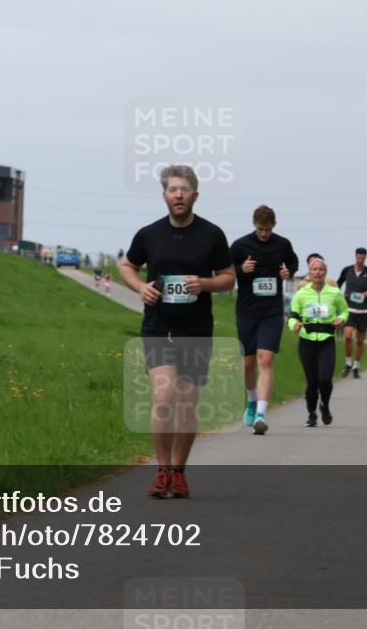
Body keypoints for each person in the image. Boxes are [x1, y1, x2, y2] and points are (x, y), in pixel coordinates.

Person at [119, 164, 234, 499]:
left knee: (186, 404)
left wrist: (205, 283)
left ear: (195, 195)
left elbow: (229, 277)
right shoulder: (149, 234)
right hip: (159, 327)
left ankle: (179, 473)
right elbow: (127, 265)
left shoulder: (212, 235)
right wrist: (140, 288)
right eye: (172, 190)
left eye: (184, 190)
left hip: (196, 329)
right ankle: (162, 470)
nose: (179, 195)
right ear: (165, 195)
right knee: (164, 398)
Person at [230, 205, 299, 435]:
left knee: (266, 360)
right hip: (247, 311)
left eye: (268, 229)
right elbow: (226, 273)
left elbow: (293, 263)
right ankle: (251, 400)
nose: (264, 234)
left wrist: (287, 272)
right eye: (260, 229)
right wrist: (242, 269)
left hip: (272, 311)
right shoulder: (240, 245)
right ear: (253, 224)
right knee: (248, 363)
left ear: (274, 225)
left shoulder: (283, 244)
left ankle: (261, 413)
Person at [288, 256, 348, 427]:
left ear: (325, 273)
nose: (318, 272)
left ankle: (325, 405)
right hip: (307, 340)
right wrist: (295, 325)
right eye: (314, 269)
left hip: (327, 340)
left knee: (325, 379)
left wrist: (340, 319)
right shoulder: (301, 294)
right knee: (312, 382)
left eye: (321, 269)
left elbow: (344, 311)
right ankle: (311, 414)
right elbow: (293, 316)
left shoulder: (334, 293)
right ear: (310, 272)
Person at [337, 248, 367, 379]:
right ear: (355, 257)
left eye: (363, 258)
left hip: (364, 310)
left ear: (365, 258)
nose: (360, 260)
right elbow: (337, 284)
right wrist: (341, 295)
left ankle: (356, 366)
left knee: (360, 341)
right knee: (348, 337)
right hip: (349, 309)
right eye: (359, 258)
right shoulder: (347, 270)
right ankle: (348, 363)